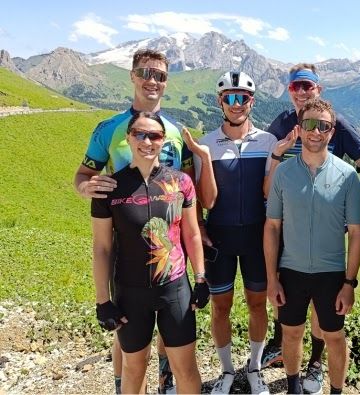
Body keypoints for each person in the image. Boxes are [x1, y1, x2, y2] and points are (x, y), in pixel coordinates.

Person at [73, 48, 215, 394]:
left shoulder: (177, 131)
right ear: (133, 76)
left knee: (181, 359)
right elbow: (82, 177)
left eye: (160, 75)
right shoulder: (109, 129)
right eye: (146, 73)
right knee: (132, 359)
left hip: (173, 262)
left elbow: (185, 195)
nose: (152, 80)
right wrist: (87, 187)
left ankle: (166, 381)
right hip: (127, 249)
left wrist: (200, 273)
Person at [262, 63, 360, 394]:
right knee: (291, 327)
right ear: (299, 126)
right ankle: (294, 381)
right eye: (295, 86)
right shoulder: (282, 143)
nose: (316, 131)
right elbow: (271, 213)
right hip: (291, 251)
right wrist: (272, 279)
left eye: (307, 86)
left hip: (328, 255)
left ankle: (320, 369)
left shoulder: (345, 170)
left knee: (330, 329)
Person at [91, 111, 205, 394]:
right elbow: (102, 248)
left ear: (162, 140)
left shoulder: (180, 183)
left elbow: (191, 233)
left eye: (153, 135)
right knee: (134, 368)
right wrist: (102, 301)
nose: (146, 141)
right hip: (130, 292)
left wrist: (201, 278)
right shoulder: (109, 188)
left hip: (175, 289)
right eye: (139, 134)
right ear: (128, 138)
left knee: (186, 369)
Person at [197, 71, 295, 395]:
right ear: (220, 102)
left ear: (252, 102)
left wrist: (279, 156)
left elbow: (268, 190)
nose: (236, 104)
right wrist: (198, 224)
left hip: (256, 237)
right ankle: (226, 371)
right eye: (230, 97)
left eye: (243, 98)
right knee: (220, 307)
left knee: (257, 306)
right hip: (220, 238)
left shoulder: (267, 142)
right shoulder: (207, 144)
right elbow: (204, 198)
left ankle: (254, 368)